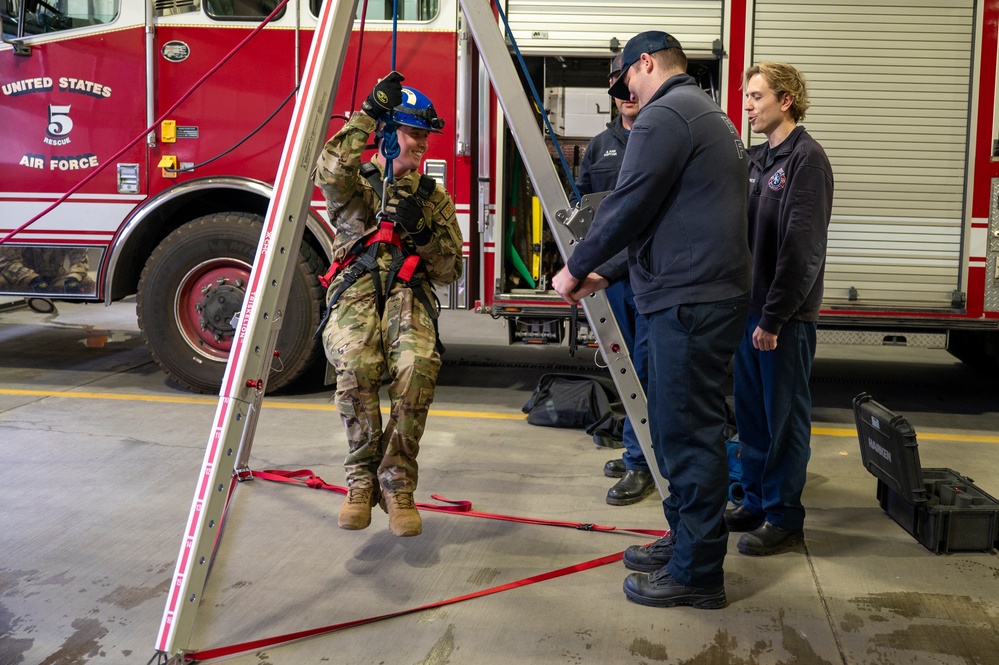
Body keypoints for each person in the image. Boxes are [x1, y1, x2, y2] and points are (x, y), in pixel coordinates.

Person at [552, 31, 751, 609]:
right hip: (700, 295)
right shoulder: (702, 113)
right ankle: (687, 541)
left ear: (645, 63)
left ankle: (697, 573)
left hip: (689, 302)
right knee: (675, 427)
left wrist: (576, 267)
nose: (625, 95)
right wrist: (607, 274)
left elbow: (629, 203)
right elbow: (665, 215)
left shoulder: (667, 115)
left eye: (625, 81)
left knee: (687, 436)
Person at [314, 72, 463, 537]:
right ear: (387, 135)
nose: (421, 144)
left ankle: (396, 483)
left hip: (407, 292)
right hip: (355, 289)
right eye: (413, 133)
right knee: (356, 364)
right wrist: (367, 114)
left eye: (425, 135)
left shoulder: (433, 198)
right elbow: (330, 171)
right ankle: (361, 481)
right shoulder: (356, 185)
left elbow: (449, 270)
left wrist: (422, 235)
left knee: (418, 364)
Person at [725, 62, 833, 555]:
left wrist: (773, 318)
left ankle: (785, 516)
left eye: (755, 97)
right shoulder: (756, 160)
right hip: (750, 311)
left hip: (782, 320)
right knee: (751, 416)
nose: (747, 106)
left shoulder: (806, 160)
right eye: (747, 98)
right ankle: (755, 500)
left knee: (783, 418)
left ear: (785, 100)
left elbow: (801, 250)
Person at [571, 54, 653, 506]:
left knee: (646, 368)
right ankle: (636, 444)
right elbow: (585, 211)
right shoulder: (599, 146)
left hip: (648, 275)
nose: (625, 95)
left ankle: (642, 462)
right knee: (623, 369)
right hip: (611, 282)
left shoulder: (660, 139)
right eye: (615, 86)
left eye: (630, 84)